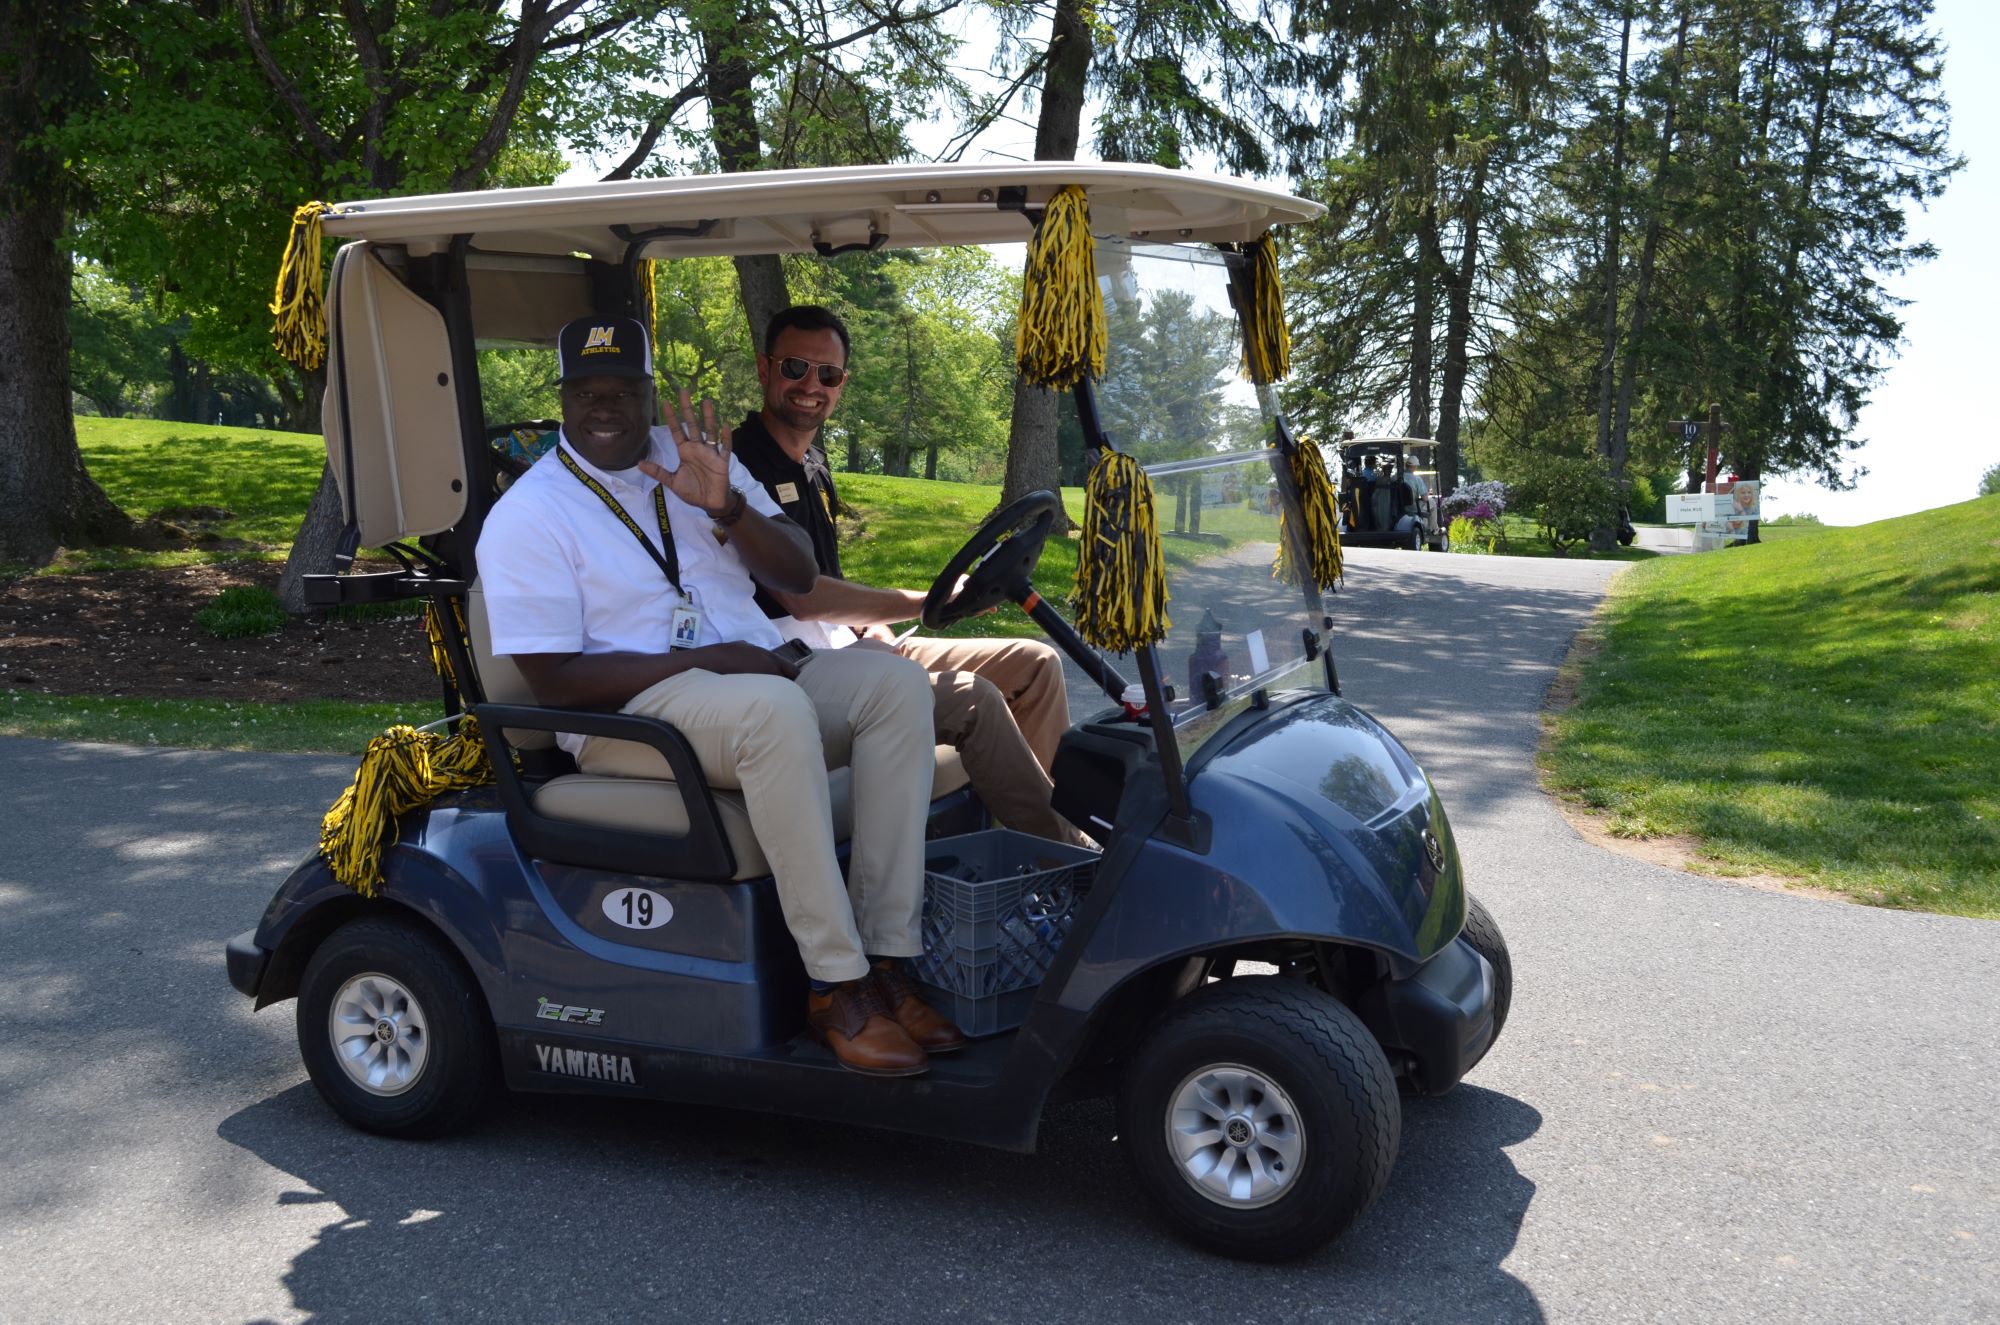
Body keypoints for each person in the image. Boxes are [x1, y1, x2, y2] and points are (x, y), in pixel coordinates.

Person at [475, 315, 963, 1077]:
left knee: (895, 685)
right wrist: (713, 658)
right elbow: (555, 680)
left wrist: (728, 509)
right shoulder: (531, 514)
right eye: (585, 391)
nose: (605, 406)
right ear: (564, 398)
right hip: (627, 719)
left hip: (757, 683)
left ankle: (887, 961)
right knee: (773, 712)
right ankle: (836, 984)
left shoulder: (693, 458)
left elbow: (797, 573)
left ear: (648, 391)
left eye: (623, 389)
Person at [731, 305, 1091, 850]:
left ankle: (1044, 830)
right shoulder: (740, 466)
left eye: (827, 374)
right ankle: (1064, 857)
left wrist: (869, 631)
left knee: (1036, 663)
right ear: (764, 369)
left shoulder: (813, 463)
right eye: (794, 368)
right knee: (974, 698)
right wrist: (927, 601)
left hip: (846, 646)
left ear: (842, 383)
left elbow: (830, 579)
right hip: (795, 663)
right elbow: (801, 598)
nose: (811, 385)